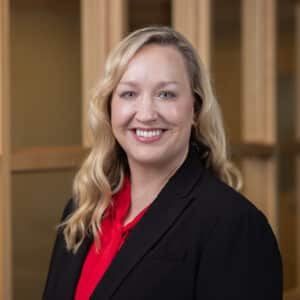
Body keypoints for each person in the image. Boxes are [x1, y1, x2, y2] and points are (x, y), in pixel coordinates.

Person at [43, 26, 282, 300]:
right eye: (129, 94)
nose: (146, 114)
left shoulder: (234, 225)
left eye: (166, 94)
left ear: (195, 108)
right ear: (110, 108)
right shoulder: (83, 209)